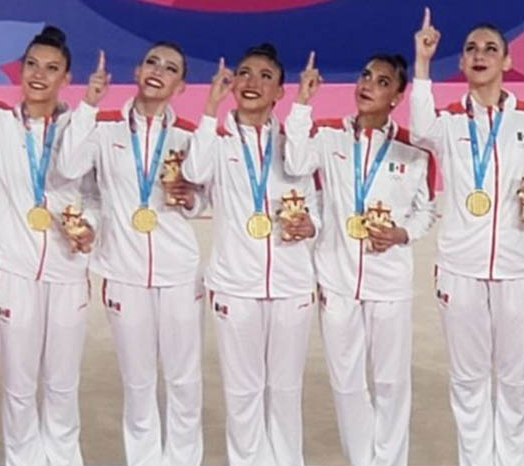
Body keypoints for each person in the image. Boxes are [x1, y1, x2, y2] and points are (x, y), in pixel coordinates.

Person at [0, 0, 107, 464]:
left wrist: (90, 227)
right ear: (20, 70)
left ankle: (64, 458)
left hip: (68, 272)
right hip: (13, 271)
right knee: (19, 387)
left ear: (65, 79)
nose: (39, 74)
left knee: (62, 383)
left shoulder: (82, 127)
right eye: (32, 64)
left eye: (51, 68)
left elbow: (97, 197)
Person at [409, 8, 524, 466]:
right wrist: (422, 63)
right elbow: (418, 128)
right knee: (468, 379)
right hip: (460, 270)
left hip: (519, 268)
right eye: (471, 49)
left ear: (507, 61)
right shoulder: (447, 122)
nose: (480, 55)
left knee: (517, 380)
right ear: (461, 63)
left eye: (490, 49)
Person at [284, 50, 436, 466]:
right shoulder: (327, 135)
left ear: (397, 97)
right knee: (347, 383)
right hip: (336, 279)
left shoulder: (414, 151)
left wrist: (402, 233)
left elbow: (426, 211)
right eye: (366, 76)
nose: (368, 85)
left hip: (389, 282)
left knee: (391, 383)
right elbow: (296, 161)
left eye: (382, 82)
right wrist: (302, 101)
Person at [56, 41, 205, 466]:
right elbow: (71, 171)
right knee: (138, 383)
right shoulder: (103, 127)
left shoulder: (190, 135)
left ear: (180, 86)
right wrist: (88, 103)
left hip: (179, 273)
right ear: (137, 72)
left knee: (183, 381)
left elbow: (204, 196)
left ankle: (184, 461)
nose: (159, 71)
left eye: (171, 68)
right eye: (152, 63)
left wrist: (191, 199)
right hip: (123, 272)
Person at [182, 44, 319, 466]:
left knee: (285, 391)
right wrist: (210, 107)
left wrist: (312, 224)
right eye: (244, 73)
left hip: (291, 285)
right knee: (242, 393)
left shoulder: (295, 142)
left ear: (280, 91)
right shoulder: (216, 141)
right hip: (234, 287)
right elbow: (193, 173)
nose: (252, 82)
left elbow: (312, 194)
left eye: (265, 76)